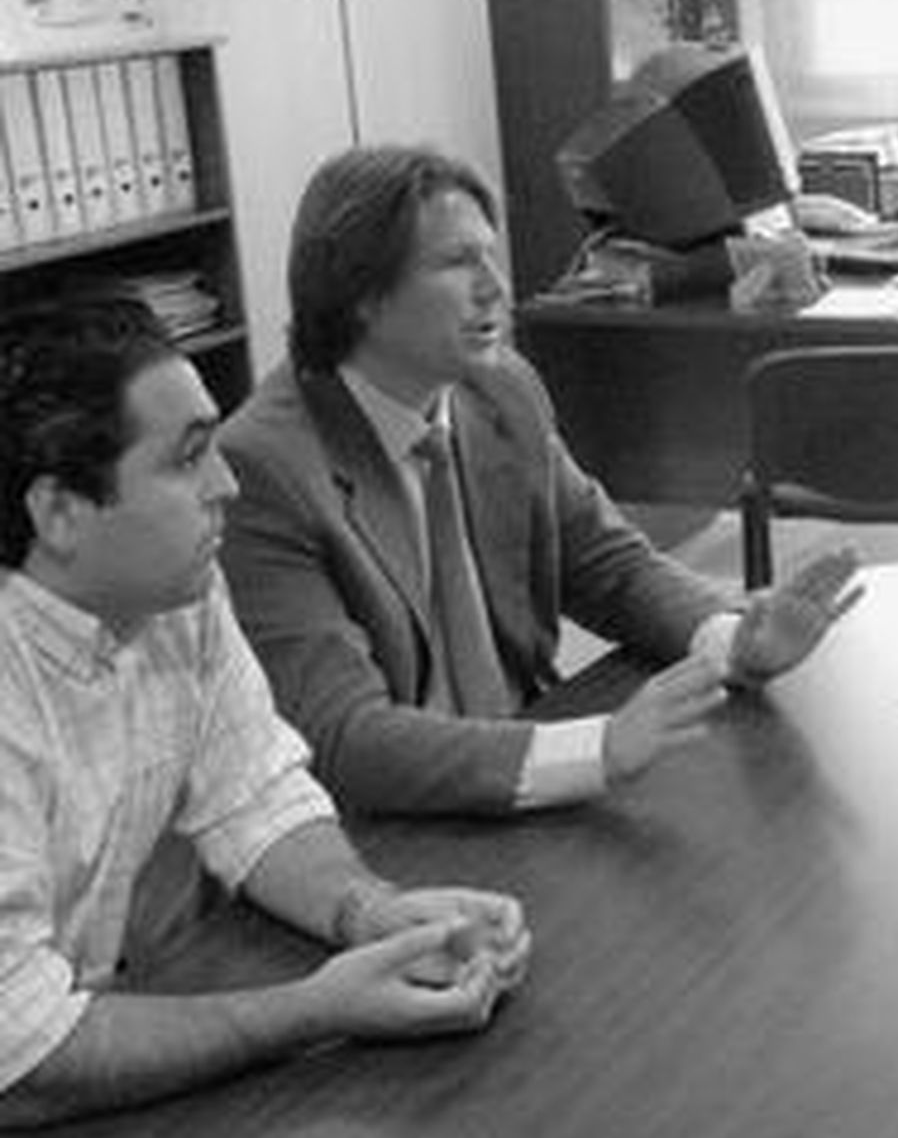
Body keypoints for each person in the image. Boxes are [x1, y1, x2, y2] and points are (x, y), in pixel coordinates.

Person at [0, 299, 530, 1127]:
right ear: (60, 513)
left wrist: (372, 912)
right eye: (187, 462)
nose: (228, 486)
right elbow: (20, 1059)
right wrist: (314, 1011)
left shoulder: (174, 589)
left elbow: (254, 794)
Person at [219, 145, 859, 816]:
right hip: (392, 832)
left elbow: (608, 565)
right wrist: (596, 749)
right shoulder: (264, 470)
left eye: (488, 255)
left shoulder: (499, 390)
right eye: (456, 263)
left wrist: (734, 643)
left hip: (524, 787)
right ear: (361, 297)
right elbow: (344, 739)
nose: (495, 286)